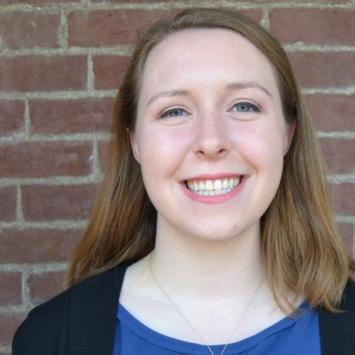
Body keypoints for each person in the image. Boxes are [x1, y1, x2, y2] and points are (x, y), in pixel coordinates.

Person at [12, 8, 355, 355]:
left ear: (286, 133)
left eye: (244, 106)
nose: (210, 140)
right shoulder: (50, 338)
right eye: (174, 111)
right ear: (135, 142)